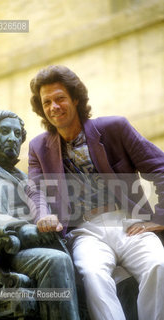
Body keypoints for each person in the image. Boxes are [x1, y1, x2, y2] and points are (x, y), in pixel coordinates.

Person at [28, 65, 164, 320]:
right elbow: (35, 190)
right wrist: (42, 215)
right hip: (84, 233)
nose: (54, 107)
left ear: (75, 99)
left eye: (60, 98)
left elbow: (161, 167)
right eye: (47, 102)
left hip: (128, 222)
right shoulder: (38, 148)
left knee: (158, 265)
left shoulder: (115, 128)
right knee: (92, 275)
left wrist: (159, 217)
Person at [0, 110, 80, 320]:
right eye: (4, 131)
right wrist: (20, 229)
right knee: (55, 262)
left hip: (37, 249)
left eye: (17, 134)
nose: (12, 138)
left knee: (92, 263)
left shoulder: (31, 183)